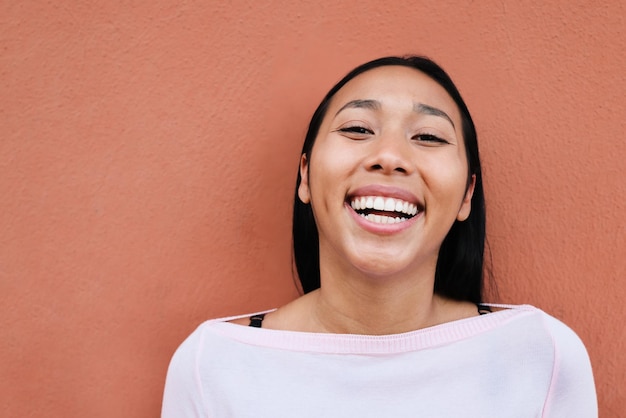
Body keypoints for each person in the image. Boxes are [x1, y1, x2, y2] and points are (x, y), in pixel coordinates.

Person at [162, 56, 597, 417]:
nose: (389, 156)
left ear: (466, 195)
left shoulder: (542, 355)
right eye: (357, 129)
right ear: (306, 174)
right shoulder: (213, 364)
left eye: (428, 136)